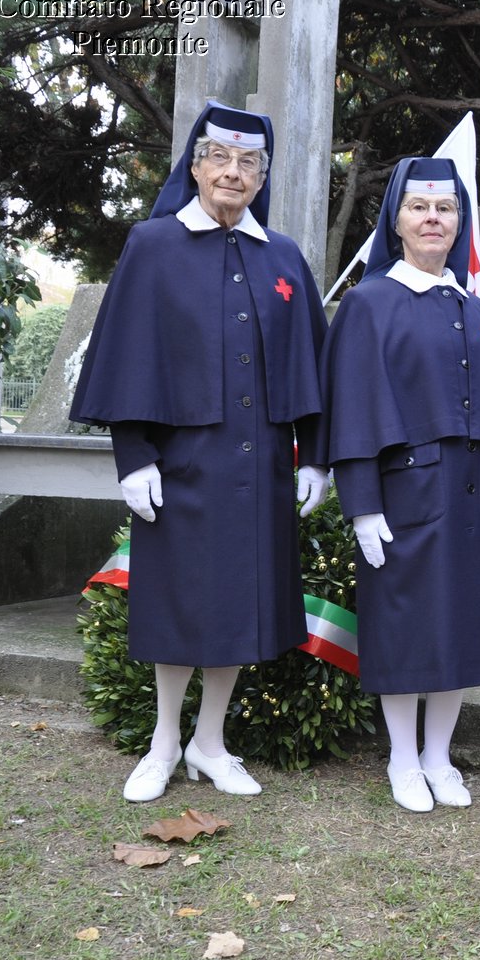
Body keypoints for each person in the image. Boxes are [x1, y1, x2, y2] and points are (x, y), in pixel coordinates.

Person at [70, 101, 330, 802]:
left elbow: (313, 367)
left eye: (249, 163)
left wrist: (314, 458)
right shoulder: (152, 245)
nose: (233, 173)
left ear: (261, 176)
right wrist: (134, 458)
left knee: (239, 607)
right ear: (196, 164)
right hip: (180, 468)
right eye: (220, 158)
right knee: (178, 606)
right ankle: (163, 742)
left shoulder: (283, 258)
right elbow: (127, 356)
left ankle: (210, 743)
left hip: (260, 469)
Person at [319, 157, 480, 812]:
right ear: (397, 220)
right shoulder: (369, 303)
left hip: (474, 492)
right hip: (403, 496)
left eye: (445, 208)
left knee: (463, 628)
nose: (432, 217)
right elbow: (352, 407)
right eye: (419, 206)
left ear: (460, 221)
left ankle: (439, 755)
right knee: (407, 627)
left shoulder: (477, 309)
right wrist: (360, 504)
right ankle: (403, 758)